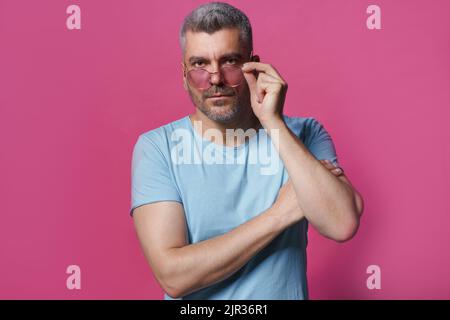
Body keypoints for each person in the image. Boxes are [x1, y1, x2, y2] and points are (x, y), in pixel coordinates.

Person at [130, 2, 364, 300]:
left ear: (252, 65)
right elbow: (173, 276)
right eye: (200, 64)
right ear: (184, 72)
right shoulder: (157, 148)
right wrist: (280, 214)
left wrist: (272, 121)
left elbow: (342, 223)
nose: (215, 79)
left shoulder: (304, 134)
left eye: (229, 62)